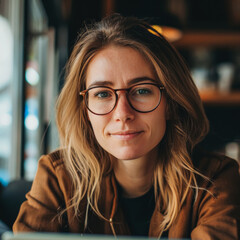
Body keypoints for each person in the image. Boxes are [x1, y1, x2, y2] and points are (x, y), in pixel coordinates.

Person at [13, 14, 240, 239]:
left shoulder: (214, 179)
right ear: (85, 111)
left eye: (141, 90)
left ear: (171, 103)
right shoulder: (57, 178)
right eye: (102, 93)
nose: (123, 114)